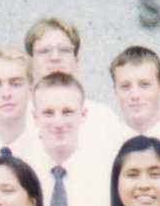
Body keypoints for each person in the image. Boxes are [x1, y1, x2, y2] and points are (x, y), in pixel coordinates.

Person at [24, 17, 127, 155]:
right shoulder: (17, 120)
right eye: (44, 51)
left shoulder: (103, 119)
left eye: (64, 50)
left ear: (76, 61)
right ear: (30, 63)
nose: (55, 57)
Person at [27, 71, 111, 206]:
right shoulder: (23, 174)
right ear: (35, 117)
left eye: (67, 112)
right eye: (48, 113)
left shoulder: (105, 174)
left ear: (83, 115)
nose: (58, 123)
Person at [110, 45, 160, 142]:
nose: (135, 95)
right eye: (125, 86)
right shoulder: (105, 146)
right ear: (115, 90)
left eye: (144, 85)